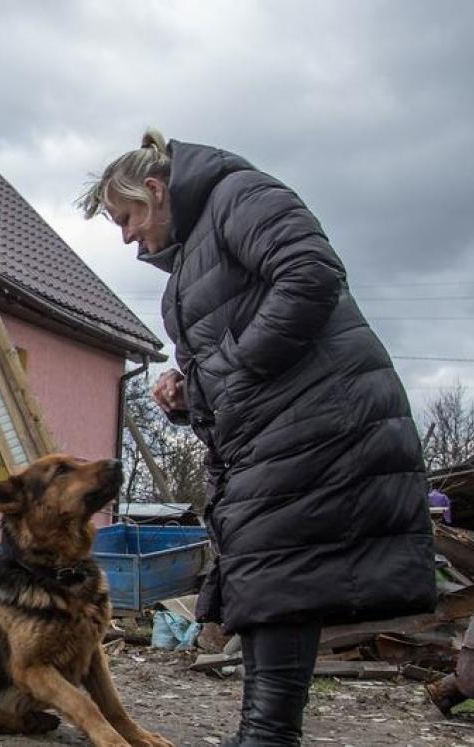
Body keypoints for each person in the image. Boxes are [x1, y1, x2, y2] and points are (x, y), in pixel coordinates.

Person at [78, 129, 436, 746]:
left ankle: (266, 737)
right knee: (275, 571)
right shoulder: (193, 258)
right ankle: (266, 735)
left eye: (127, 216)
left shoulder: (238, 195)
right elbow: (225, 375)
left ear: (156, 189)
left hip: (325, 418)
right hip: (279, 429)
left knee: (275, 566)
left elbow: (310, 275)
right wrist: (185, 393)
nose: (128, 235)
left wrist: (223, 368)